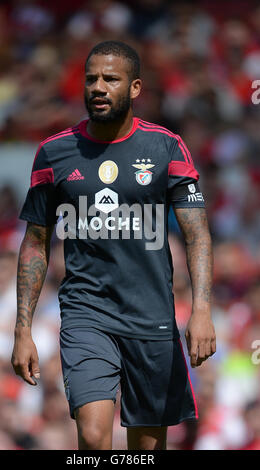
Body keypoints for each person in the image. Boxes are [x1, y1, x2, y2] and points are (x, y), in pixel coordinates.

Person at [11, 40, 216, 450]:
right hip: (87, 313)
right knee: (92, 435)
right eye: (91, 79)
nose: (98, 87)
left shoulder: (166, 147)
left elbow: (198, 234)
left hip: (152, 316)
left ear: (135, 88)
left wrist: (202, 310)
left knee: (146, 449)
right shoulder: (54, 153)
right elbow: (36, 242)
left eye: (110, 79)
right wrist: (22, 328)